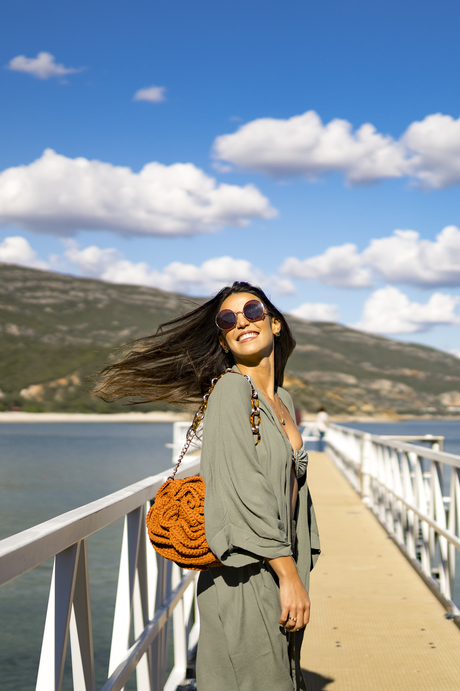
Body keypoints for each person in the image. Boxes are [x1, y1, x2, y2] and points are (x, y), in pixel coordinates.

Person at [95, 281, 321, 691]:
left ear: (276, 325)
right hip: (246, 572)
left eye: (252, 312)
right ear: (222, 339)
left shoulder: (281, 400)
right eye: (227, 319)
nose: (241, 322)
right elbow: (244, 493)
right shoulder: (231, 391)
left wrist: (292, 572)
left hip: (277, 565)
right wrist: (289, 577)